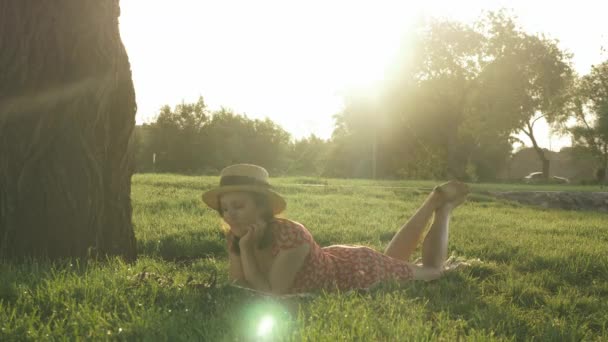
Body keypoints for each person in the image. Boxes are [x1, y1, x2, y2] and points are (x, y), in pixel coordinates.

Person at [202, 164, 469, 295]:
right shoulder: (238, 237)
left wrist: (246, 252)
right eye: (224, 209)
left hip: (356, 272)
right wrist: (244, 249)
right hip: (340, 260)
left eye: (237, 206)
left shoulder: (291, 236)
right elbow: (239, 286)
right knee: (394, 261)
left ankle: (441, 208)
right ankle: (433, 201)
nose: (229, 215)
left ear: (262, 208)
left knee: (433, 271)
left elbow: (273, 295)